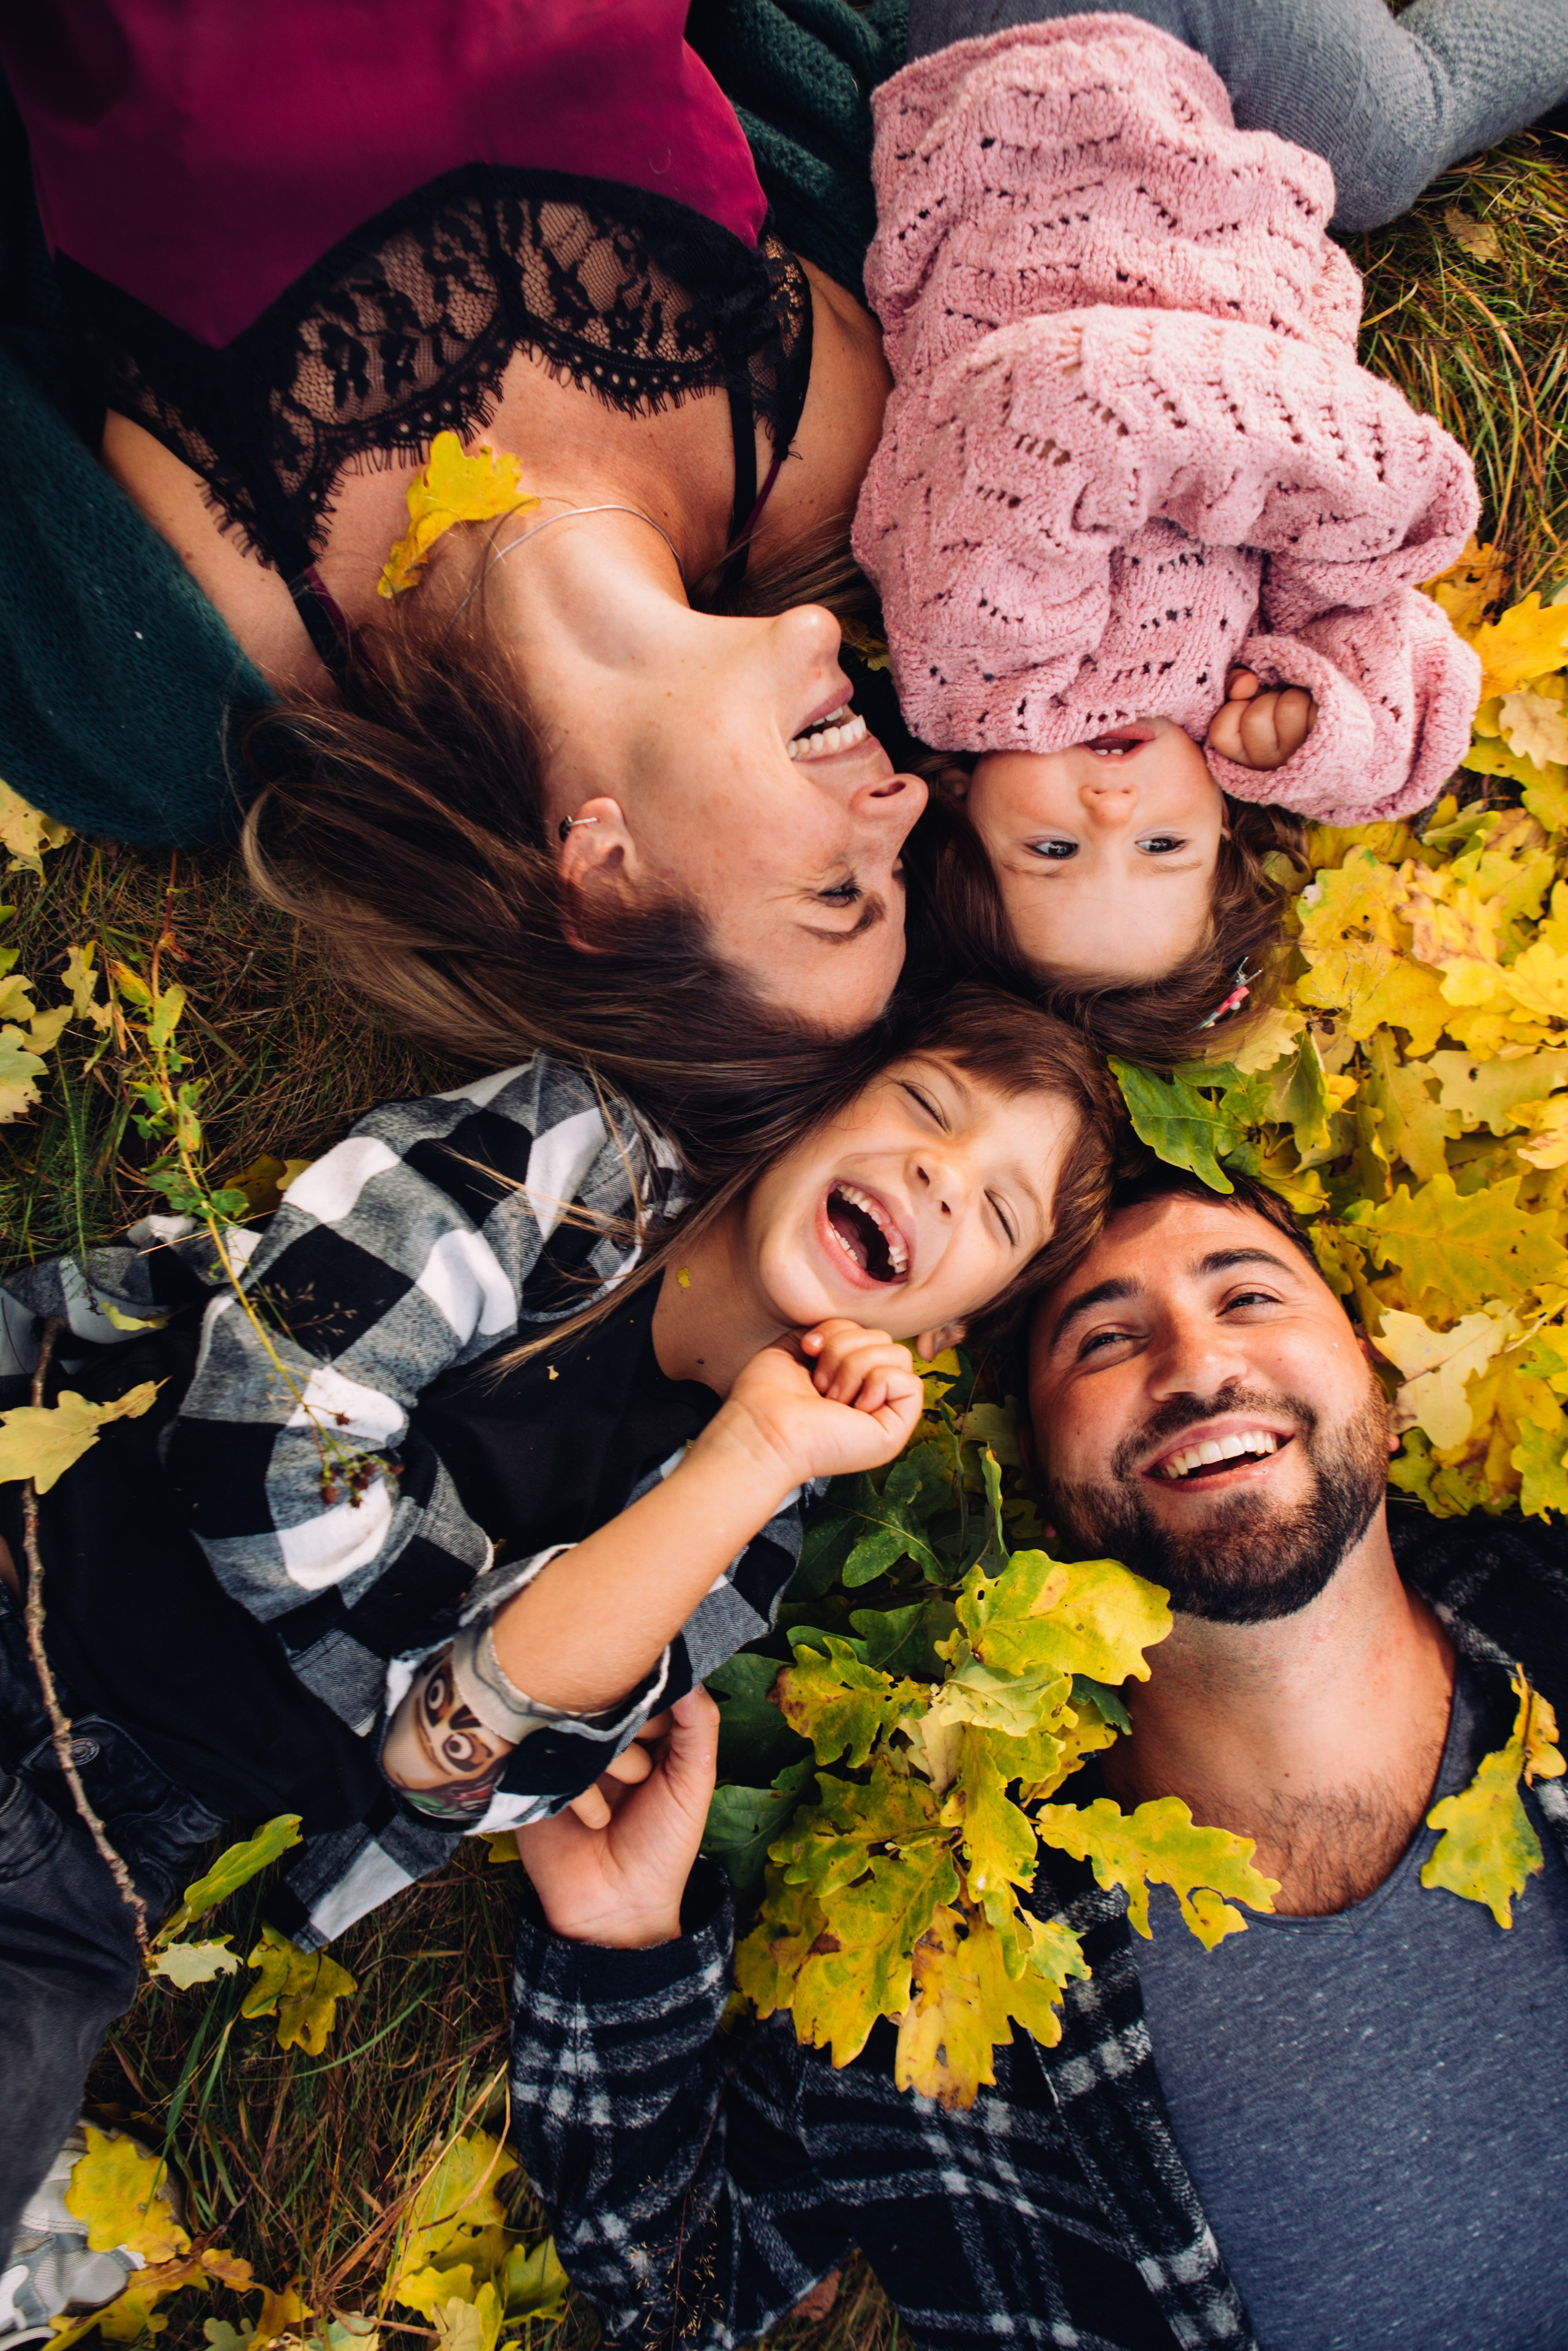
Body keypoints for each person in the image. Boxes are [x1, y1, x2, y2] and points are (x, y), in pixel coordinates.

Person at [0, 983, 1120, 2268]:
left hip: (108, 1860)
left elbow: (461, 1781)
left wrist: (747, 1455)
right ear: (823, 1103)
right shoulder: (570, 1158)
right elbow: (257, 1443)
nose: (940, 1169)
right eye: (926, 1105)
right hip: (33, 1548)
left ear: (952, 1328)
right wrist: (454, 1667)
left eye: (994, 1211)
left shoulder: (750, 1537)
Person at [505, 1162, 1568, 2350]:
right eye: (1105, 1339)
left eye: (1253, 1299)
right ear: (1039, 1486)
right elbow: (681, 2298)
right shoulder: (932, 1950)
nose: (1198, 1367)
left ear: (1378, 1377)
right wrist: (618, 1948)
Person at [0, 0, 925, 1054]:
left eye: (839, 892)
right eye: (896, 871)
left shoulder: (168, 702)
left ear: (605, 885)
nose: (898, 808)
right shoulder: (847, 439)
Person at [853, 9, 1515, 1063]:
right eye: (1162, 847)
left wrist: (1383, 494)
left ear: (953, 807)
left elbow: (1075, 404)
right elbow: (1394, 645)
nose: (1114, 809)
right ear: (1223, 827)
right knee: (1381, 134)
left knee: (1392, 127)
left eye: (1052, 848)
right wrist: (1329, 740)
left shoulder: (981, 666)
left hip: (1055, 78)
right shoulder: (1210, 704)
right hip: (1212, 170)